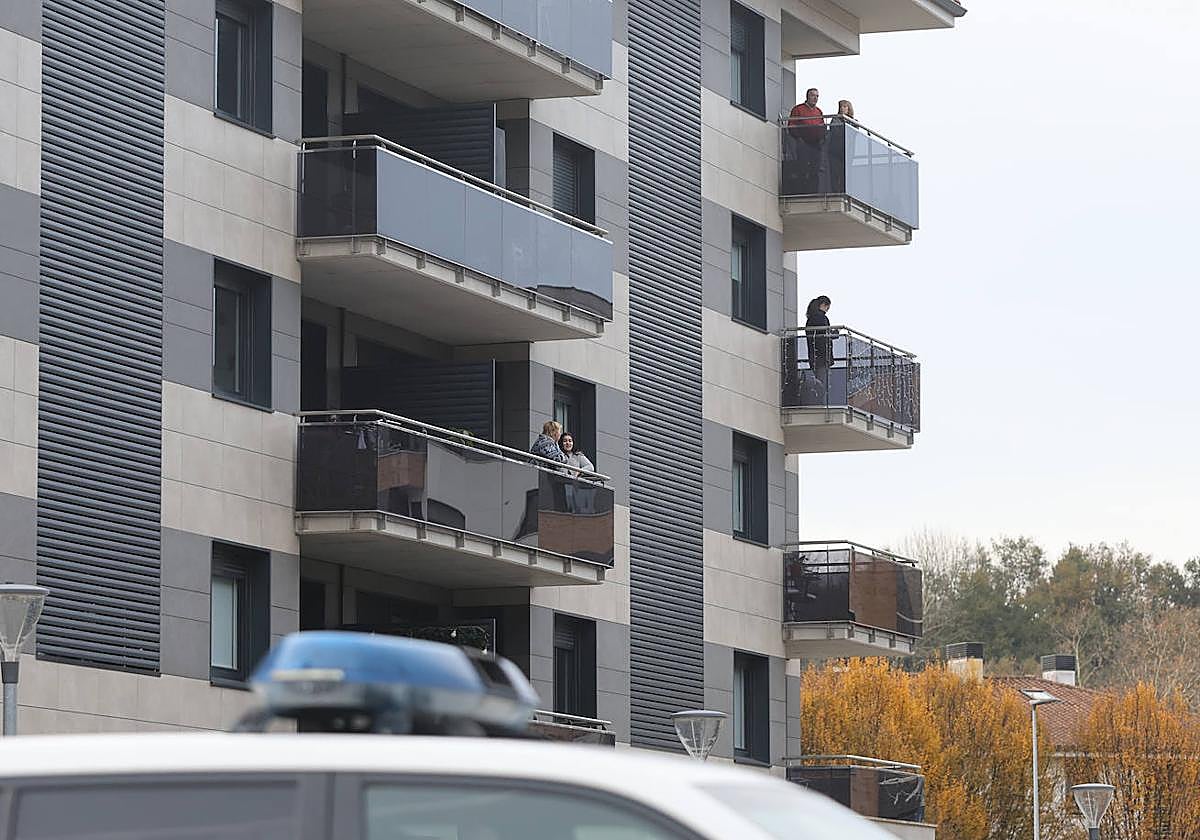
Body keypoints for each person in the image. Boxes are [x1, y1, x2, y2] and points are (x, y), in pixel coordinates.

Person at [786, 88, 826, 193]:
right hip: (803, 143)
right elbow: (791, 125)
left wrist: (822, 138)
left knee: (815, 170)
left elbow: (822, 126)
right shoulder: (798, 109)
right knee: (803, 168)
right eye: (813, 95)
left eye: (817, 96)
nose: (815, 98)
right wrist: (799, 138)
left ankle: (814, 193)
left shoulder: (818, 111)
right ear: (807, 96)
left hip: (816, 145)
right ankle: (803, 191)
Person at [805, 295, 835, 393]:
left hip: (814, 355)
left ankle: (816, 395)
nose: (827, 310)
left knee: (819, 380)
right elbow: (825, 335)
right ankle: (819, 399)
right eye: (827, 307)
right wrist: (834, 334)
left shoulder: (810, 319)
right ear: (823, 305)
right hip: (822, 356)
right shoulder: (821, 318)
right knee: (823, 384)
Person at [829, 100, 854, 193]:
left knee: (846, 173)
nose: (842, 109)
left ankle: (846, 191)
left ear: (849, 108)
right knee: (835, 173)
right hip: (836, 151)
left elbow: (853, 134)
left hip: (847, 152)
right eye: (841, 107)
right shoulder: (835, 119)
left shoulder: (853, 122)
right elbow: (835, 132)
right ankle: (836, 191)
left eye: (844, 106)